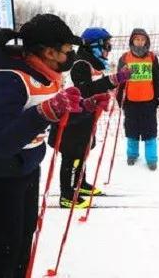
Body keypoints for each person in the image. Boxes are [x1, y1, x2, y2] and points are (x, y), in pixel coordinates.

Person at [0, 14, 109, 277]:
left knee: (23, 243)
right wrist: (47, 111)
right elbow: (1, 142)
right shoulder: (7, 79)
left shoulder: (44, 73)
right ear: (49, 51)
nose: (71, 56)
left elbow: (44, 109)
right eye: (66, 51)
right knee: (2, 256)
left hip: (23, 170)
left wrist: (83, 107)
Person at [50, 27, 130, 208]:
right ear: (94, 46)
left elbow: (97, 87)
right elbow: (84, 91)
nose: (108, 49)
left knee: (83, 150)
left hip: (85, 116)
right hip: (72, 118)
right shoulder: (80, 64)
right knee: (72, 154)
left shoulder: (93, 64)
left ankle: (80, 183)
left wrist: (113, 82)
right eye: (106, 45)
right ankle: (67, 194)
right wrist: (114, 79)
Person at [116, 28, 159, 171]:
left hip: (149, 102)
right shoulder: (125, 58)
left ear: (146, 42)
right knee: (132, 131)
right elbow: (120, 80)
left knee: (150, 131)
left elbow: (157, 78)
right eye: (137, 39)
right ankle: (132, 155)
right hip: (131, 102)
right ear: (132, 41)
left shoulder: (152, 57)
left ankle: (151, 159)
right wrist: (119, 97)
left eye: (143, 40)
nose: (140, 42)